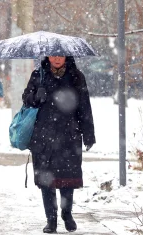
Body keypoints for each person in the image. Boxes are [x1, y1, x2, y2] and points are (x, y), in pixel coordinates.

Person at [22, 56, 96, 233]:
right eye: (53, 54)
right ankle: (51, 220)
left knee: (67, 179)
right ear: (47, 56)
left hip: (69, 136)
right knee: (46, 180)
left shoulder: (76, 76)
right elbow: (26, 99)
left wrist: (89, 133)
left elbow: (84, 106)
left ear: (66, 56)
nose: (56, 58)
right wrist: (35, 96)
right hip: (43, 137)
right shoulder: (38, 75)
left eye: (60, 55)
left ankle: (67, 213)